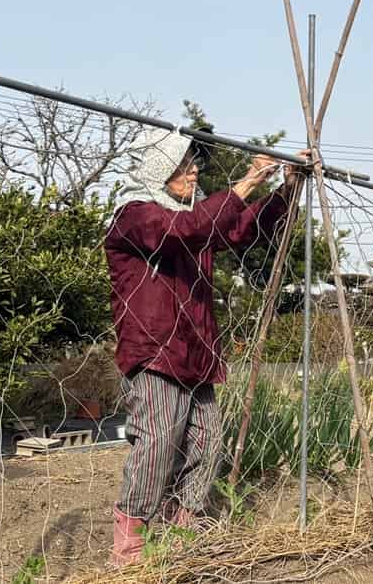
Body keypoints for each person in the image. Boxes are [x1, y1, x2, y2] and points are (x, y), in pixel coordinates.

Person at [103, 126, 307, 566]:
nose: (194, 172)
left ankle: (181, 533)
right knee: (158, 441)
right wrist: (248, 180)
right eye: (184, 165)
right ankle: (131, 542)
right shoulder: (136, 216)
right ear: (159, 170)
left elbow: (241, 228)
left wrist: (285, 190)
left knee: (206, 443)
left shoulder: (194, 216)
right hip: (155, 351)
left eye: (194, 163)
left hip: (196, 352)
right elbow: (187, 231)